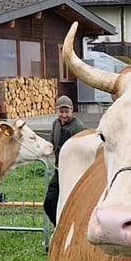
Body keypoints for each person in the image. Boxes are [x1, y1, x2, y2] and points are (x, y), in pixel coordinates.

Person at [43, 95, 85, 225]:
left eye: (67, 111)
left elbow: (81, 150)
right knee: (49, 203)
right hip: (59, 171)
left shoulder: (78, 127)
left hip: (73, 173)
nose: (64, 115)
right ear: (56, 111)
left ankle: (68, 228)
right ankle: (59, 227)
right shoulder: (55, 124)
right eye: (61, 112)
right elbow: (52, 143)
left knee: (70, 203)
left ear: (72, 110)